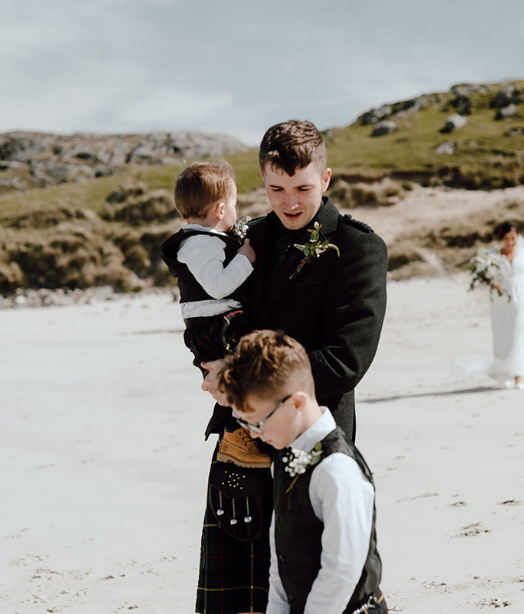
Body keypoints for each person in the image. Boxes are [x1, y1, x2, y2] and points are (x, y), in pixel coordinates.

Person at [195, 119, 388, 614]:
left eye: (302, 188)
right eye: (276, 189)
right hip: (240, 438)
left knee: (320, 586)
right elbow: (205, 310)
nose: (290, 202)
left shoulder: (358, 249)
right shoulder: (248, 241)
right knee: (236, 599)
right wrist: (209, 363)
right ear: (263, 182)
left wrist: (249, 387)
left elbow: (347, 359)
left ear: (325, 180)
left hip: (310, 441)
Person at [219, 330, 387, 614]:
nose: (255, 435)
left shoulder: (337, 470)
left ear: (296, 403)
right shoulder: (284, 454)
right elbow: (280, 553)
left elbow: (341, 570)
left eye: (259, 422)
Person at [159, 161, 270, 469]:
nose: (236, 212)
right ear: (220, 210)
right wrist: (244, 259)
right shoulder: (199, 244)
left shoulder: (201, 241)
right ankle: (238, 439)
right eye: (234, 205)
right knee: (235, 382)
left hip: (217, 324)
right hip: (215, 329)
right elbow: (218, 285)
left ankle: (244, 434)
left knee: (235, 382)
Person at [489, 220, 524, 390]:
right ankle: (505, 373)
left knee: (519, 336)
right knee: (503, 337)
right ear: (502, 239)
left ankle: (519, 375)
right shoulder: (495, 257)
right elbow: (492, 278)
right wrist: (493, 283)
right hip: (502, 300)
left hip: (522, 299)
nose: (510, 242)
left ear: (517, 237)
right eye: (506, 239)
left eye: (513, 238)